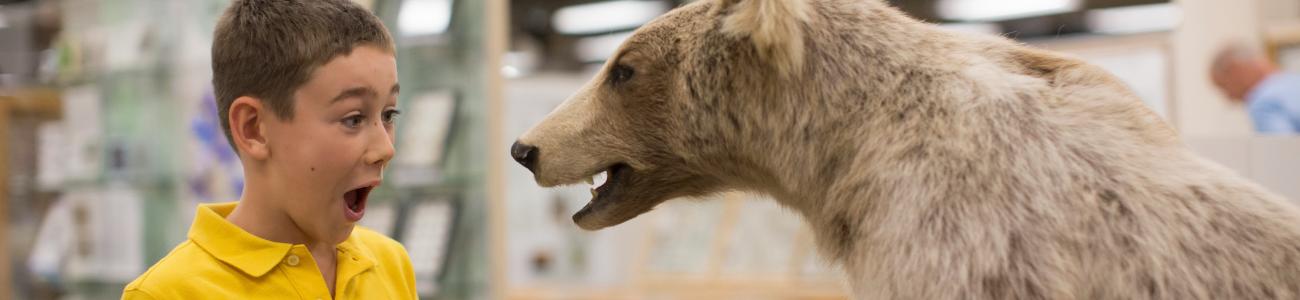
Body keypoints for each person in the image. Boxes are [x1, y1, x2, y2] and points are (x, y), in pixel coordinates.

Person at [122, 0, 415, 299]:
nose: (386, 148)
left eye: (389, 115)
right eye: (353, 119)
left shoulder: (391, 262)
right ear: (253, 128)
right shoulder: (165, 294)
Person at [1211, 43, 1300, 134]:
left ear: (1236, 71)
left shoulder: (1263, 103)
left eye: (1225, 87)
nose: (1230, 98)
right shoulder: (1295, 81)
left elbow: (1282, 146)